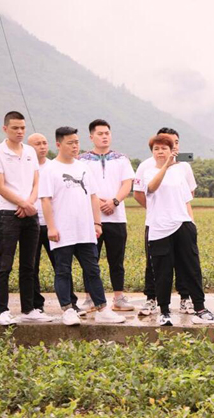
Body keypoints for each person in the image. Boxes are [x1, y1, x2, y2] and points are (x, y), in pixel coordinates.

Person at [39, 127, 126, 326]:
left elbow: (94, 196)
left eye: (77, 142)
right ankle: (68, 309)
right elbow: (45, 200)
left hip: (85, 230)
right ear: (59, 144)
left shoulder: (83, 167)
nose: (75, 146)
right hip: (63, 230)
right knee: (63, 270)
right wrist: (51, 227)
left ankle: (102, 308)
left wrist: (97, 222)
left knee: (92, 269)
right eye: (70, 143)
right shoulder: (50, 169)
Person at [140, 134, 214, 326]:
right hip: (160, 228)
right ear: (152, 153)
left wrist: (191, 224)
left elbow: (186, 200)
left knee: (191, 269)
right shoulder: (148, 172)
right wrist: (166, 166)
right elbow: (152, 187)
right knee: (162, 272)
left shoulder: (179, 171)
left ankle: (200, 309)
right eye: (156, 149)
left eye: (164, 148)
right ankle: (165, 311)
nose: (160, 152)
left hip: (182, 225)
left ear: (171, 150)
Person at [0, 111, 53, 325]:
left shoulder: (30, 151)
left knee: (29, 265)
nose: (19, 131)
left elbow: (36, 182)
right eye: (15, 128)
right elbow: (0, 186)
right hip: (9, 214)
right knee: (5, 264)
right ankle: (2, 311)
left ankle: (29, 309)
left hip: (30, 214)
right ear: (5, 128)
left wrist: (29, 204)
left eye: (22, 128)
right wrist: (24, 204)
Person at [133, 127, 197, 316]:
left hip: (181, 222)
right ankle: (152, 299)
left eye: (175, 143)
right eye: (162, 145)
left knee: (184, 262)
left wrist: (189, 221)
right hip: (156, 224)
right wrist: (158, 211)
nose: (172, 146)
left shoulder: (184, 166)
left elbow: (189, 193)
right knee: (155, 263)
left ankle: (185, 298)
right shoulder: (146, 165)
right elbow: (139, 194)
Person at [78, 119, 135, 312]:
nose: (104, 137)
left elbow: (127, 183)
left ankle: (118, 298)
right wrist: (99, 202)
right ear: (91, 137)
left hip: (117, 218)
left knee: (116, 260)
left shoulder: (122, 159)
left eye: (107, 133)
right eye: (100, 133)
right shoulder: (82, 160)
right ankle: (89, 299)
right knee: (90, 261)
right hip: (92, 219)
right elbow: (82, 186)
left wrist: (114, 201)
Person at [28, 133, 82, 314]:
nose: (42, 146)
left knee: (61, 266)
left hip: (54, 224)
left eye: (44, 143)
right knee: (32, 266)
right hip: (32, 222)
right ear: (29, 147)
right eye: (37, 144)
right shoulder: (26, 167)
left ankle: (71, 303)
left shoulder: (54, 166)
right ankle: (36, 305)